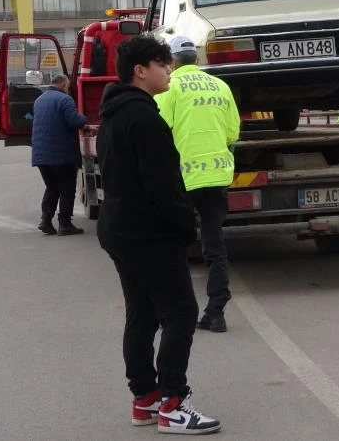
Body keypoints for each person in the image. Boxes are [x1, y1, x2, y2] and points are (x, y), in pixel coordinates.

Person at [96, 35, 221, 435]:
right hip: (149, 232)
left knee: (142, 314)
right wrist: (185, 228)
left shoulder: (114, 114)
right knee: (181, 312)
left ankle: (144, 399)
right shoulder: (145, 119)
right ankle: (172, 403)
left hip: (119, 229)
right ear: (140, 70)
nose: (168, 71)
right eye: (162, 65)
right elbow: (164, 186)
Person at [155, 35, 240, 334]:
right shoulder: (220, 86)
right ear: (197, 58)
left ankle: (174, 313)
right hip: (217, 176)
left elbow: (159, 128)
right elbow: (232, 133)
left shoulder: (170, 86)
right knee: (214, 246)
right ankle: (216, 312)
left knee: (173, 246)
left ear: (173, 62)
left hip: (183, 178)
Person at [30, 73, 87, 236]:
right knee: (67, 188)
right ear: (63, 85)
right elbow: (74, 121)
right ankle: (65, 224)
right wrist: (84, 119)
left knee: (52, 187)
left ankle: (46, 220)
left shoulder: (39, 100)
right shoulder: (64, 99)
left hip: (41, 155)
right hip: (61, 154)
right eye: (67, 86)